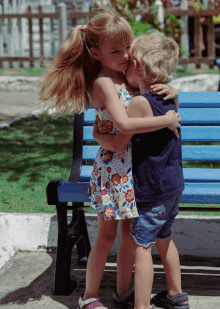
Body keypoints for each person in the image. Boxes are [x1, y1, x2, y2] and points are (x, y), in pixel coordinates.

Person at [38, 11, 181, 309]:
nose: (126, 54)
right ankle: (89, 295)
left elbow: (147, 93)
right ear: (96, 54)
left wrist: (173, 90)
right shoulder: (104, 82)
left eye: (127, 47)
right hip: (113, 170)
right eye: (115, 51)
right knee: (106, 236)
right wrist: (165, 119)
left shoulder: (128, 76)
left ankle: (122, 293)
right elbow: (124, 127)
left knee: (129, 236)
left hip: (133, 170)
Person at [94, 29, 189, 309]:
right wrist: (175, 92)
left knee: (141, 247)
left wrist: (99, 137)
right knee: (165, 239)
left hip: (150, 189)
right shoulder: (169, 98)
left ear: (141, 68)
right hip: (172, 188)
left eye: (130, 61)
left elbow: (118, 141)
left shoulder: (138, 103)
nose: (125, 66)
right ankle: (176, 295)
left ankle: (142, 306)